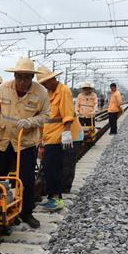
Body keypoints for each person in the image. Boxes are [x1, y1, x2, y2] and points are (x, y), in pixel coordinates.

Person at [0, 57, 51, 229]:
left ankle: (26, 212)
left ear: (32, 78)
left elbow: (46, 116)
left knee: (26, 179)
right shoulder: (4, 88)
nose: (22, 81)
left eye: (26, 77)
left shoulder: (41, 92)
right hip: (3, 139)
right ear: (14, 75)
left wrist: (31, 122)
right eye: (19, 76)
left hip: (25, 142)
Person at [36, 67, 76, 211]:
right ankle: (52, 196)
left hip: (58, 136)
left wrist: (66, 132)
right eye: (43, 83)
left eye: (46, 82)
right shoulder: (48, 93)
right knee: (48, 168)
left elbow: (68, 113)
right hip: (48, 135)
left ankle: (57, 199)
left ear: (53, 79)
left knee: (53, 168)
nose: (45, 85)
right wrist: (40, 140)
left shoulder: (63, 91)